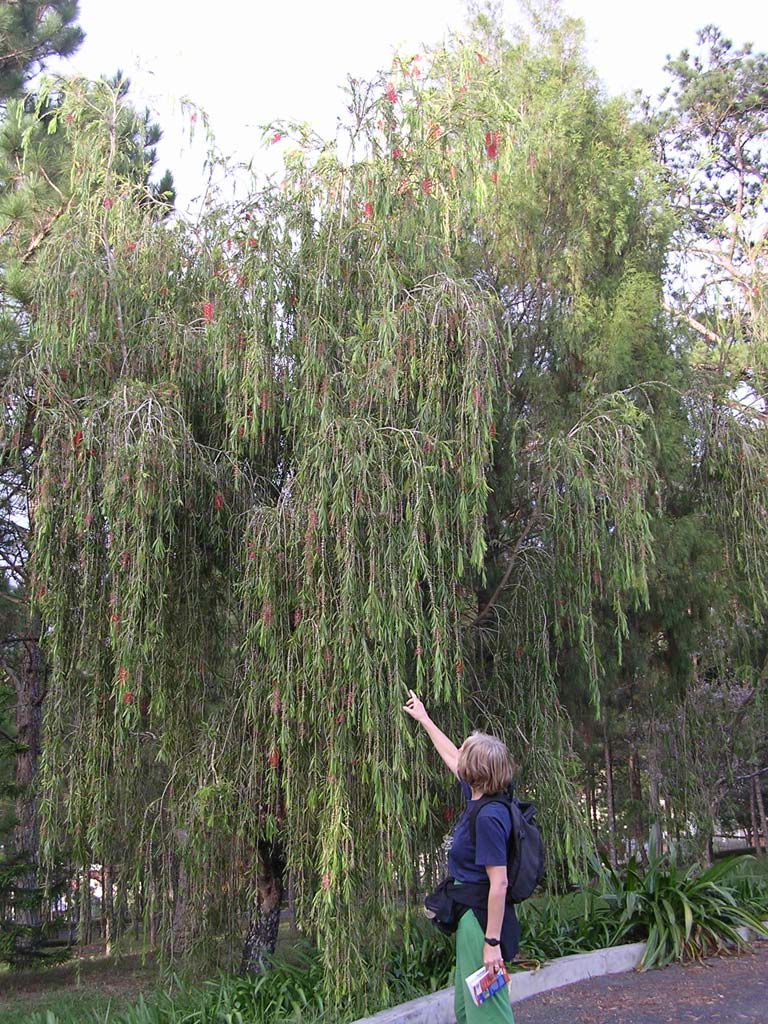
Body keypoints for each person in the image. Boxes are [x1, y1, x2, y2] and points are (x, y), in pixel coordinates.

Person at [403, 689, 517, 1024]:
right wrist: (424, 719)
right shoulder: (481, 793)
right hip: (470, 914)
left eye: (467, 753)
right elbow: (451, 755)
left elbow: (500, 884)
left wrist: (491, 943)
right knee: (467, 1010)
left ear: (477, 770)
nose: (460, 756)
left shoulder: (489, 817)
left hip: (481, 923)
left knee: (489, 1013)